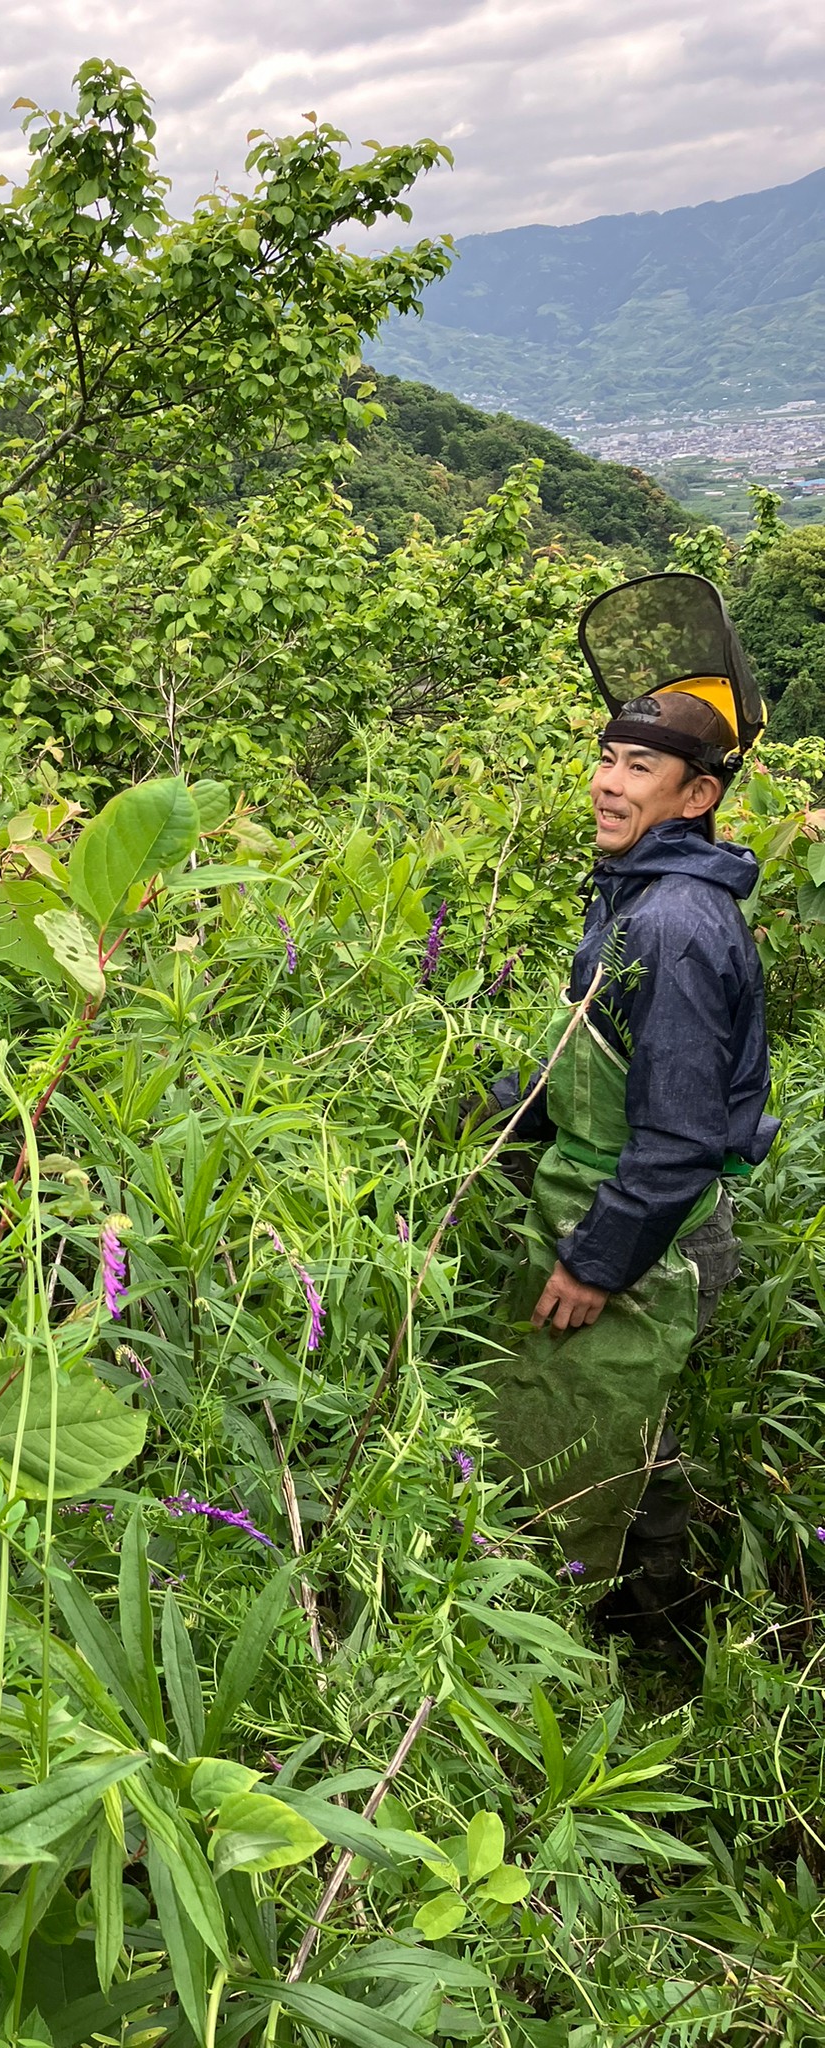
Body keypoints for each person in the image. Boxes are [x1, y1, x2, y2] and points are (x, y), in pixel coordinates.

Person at [480, 573, 777, 1640]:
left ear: (697, 796)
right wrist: (487, 1120)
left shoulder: (674, 926)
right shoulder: (637, 893)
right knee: (619, 1432)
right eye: (607, 757)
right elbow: (597, 1059)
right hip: (604, 1204)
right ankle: (660, 1624)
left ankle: (572, 1644)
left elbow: (681, 1136)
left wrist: (597, 1263)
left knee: (576, 1449)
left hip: (646, 1236)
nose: (608, 783)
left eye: (639, 767)